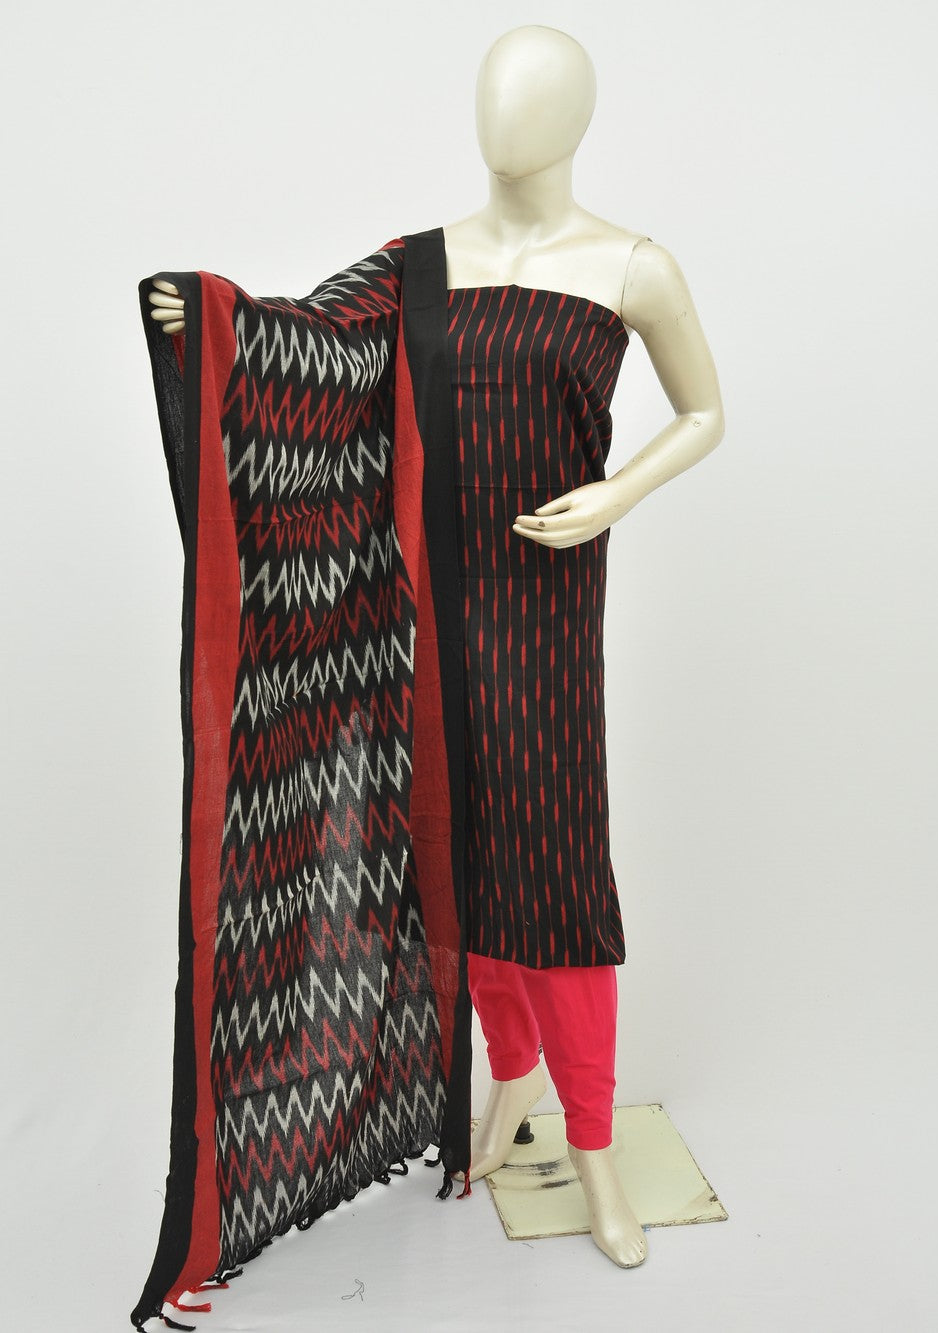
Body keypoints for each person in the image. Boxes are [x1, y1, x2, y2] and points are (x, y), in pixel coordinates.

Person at [147, 23, 724, 1272]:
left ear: (576, 117)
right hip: (423, 618)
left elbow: (704, 411)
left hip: (546, 616)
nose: (505, 117)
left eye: (534, 97)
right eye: (493, 94)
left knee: (558, 879)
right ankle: (508, 1079)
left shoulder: (632, 265)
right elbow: (301, 348)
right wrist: (207, 319)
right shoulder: (418, 268)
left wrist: (616, 494)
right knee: (460, 865)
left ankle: (592, 1147)